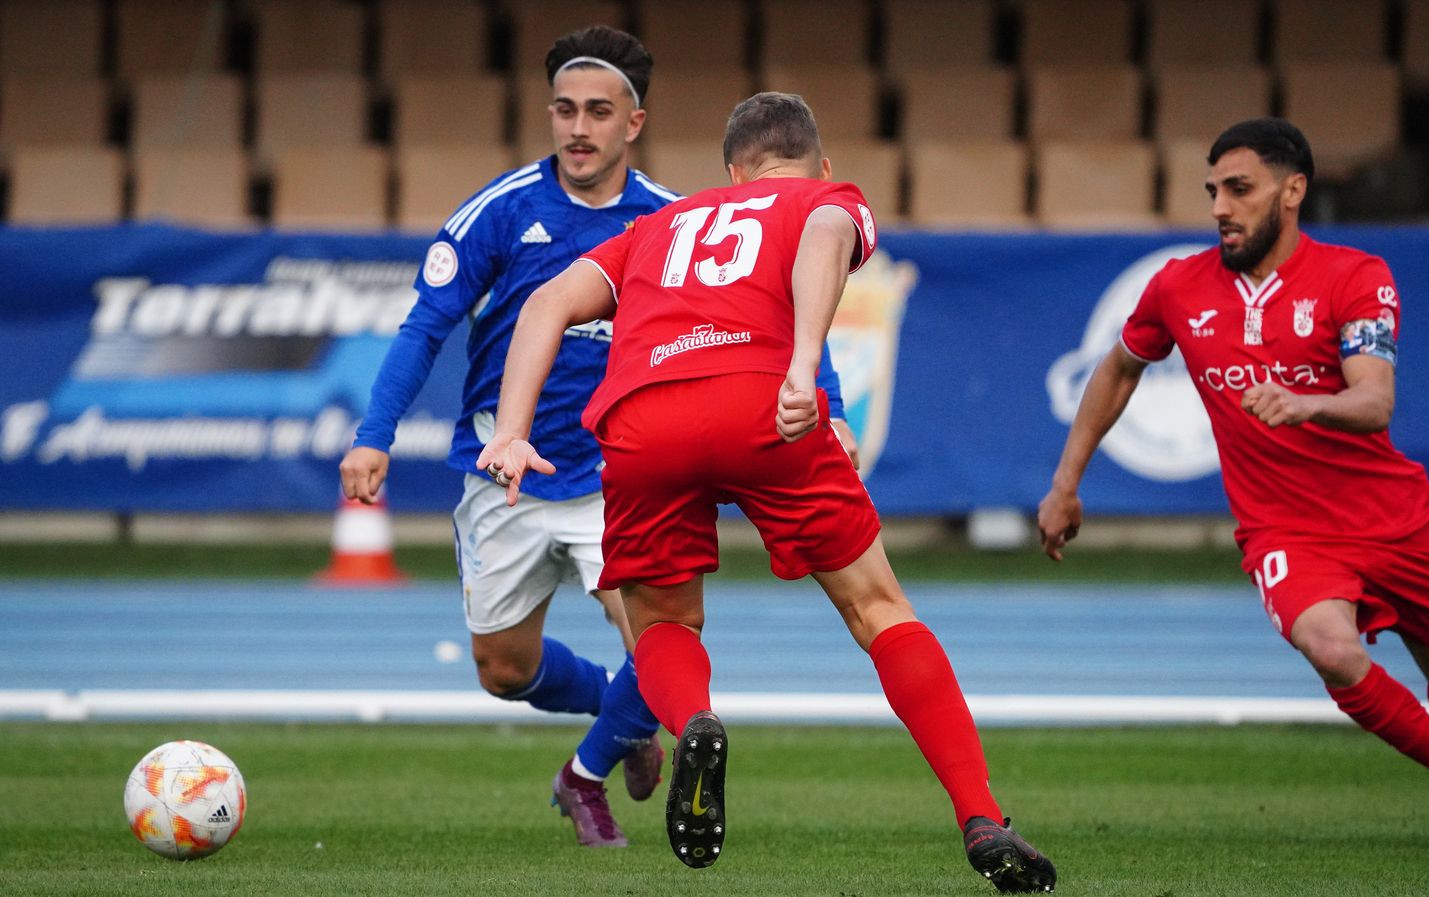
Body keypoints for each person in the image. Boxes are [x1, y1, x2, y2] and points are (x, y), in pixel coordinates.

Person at [477, 93, 1056, 892]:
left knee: (663, 622)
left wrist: (511, 430)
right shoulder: (826, 199)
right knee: (879, 608)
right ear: (820, 165)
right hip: (761, 403)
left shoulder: (657, 225)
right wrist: (804, 358)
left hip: (644, 415)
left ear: (731, 172)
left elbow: (546, 302)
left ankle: (695, 724)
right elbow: (823, 233)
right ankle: (981, 812)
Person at [339, 25, 857, 850]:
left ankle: (582, 775)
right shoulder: (501, 212)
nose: (579, 128)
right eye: (565, 109)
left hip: (620, 474)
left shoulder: (673, 220)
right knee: (505, 671)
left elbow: (780, 310)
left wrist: (826, 403)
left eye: (598, 112)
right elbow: (425, 325)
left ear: (634, 124)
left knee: (661, 647)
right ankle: (621, 720)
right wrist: (375, 436)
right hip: (506, 470)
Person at [1037, 118, 1429, 844]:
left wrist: (1308, 403)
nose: (1220, 209)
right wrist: (1065, 482)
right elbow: (1117, 367)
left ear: (1292, 190)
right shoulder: (1176, 288)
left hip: (1391, 518)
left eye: (1240, 189)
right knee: (1330, 647)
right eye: (1212, 192)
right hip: (1284, 528)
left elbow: (1375, 398)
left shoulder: (1356, 277)